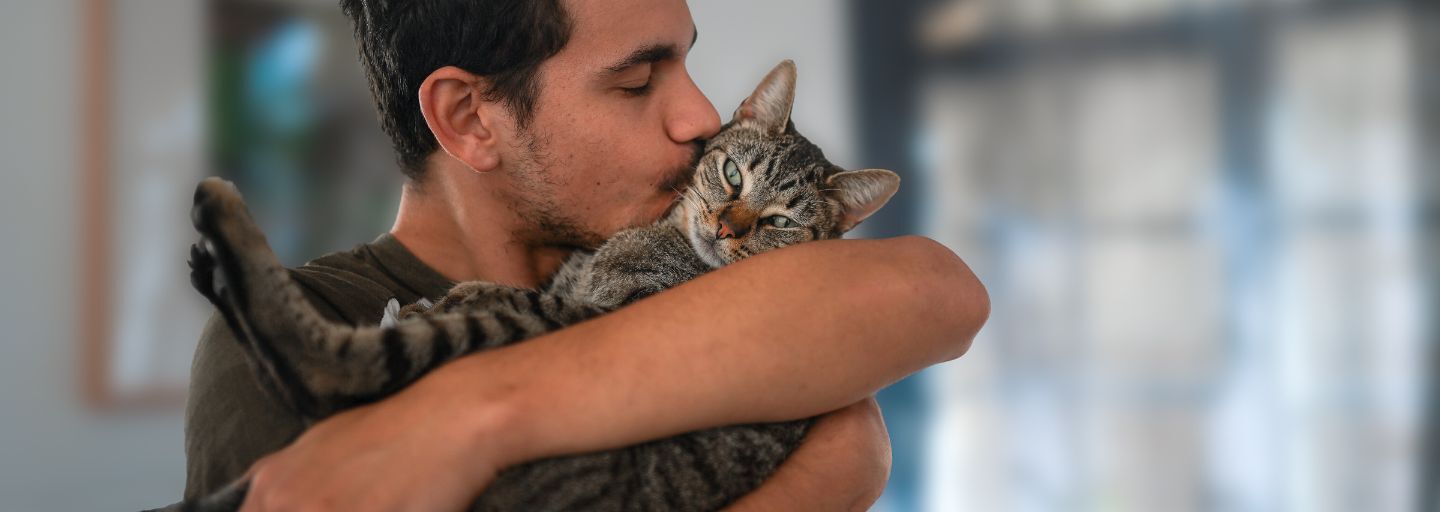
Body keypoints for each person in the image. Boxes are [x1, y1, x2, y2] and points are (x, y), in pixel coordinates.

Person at [182, 0, 990, 510]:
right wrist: (830, 473)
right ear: (469, 118)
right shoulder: (286, 335)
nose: (703, 116)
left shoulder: (704, 257)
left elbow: (933, 291)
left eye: (686, 61)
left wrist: (460, 418)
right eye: (639, 82)